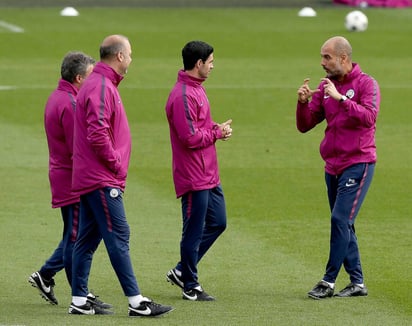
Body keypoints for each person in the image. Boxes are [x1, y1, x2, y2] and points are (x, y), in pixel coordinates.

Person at [70, 34, 173, 317]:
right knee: (119, 234)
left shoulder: (98, 83)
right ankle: (136, 301)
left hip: (93, 176)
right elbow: (98, 132)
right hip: (101, 177)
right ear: (119, 56)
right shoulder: (102, 86)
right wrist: (116, 164)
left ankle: (79, 300)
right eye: (129, 54)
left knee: (88, 239)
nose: (131, 58)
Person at [296, 36, 380, 299]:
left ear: (343, 58)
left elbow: (369, 118)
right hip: (332, 166)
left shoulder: (367, 84)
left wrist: (342, 99)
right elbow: (305, 125)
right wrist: (302, 103)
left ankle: (328, 281)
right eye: (322, 57)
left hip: (359, 162)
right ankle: (357, 283)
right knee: (345, 223)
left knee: (340, 219)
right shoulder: (325, 87)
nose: (322, 63)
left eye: (327, 57)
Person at [29, 51, 111, 310]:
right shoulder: (71, 104)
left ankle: (47, 276)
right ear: (78, 78)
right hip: (72, 179)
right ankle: (80, 294)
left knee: (74, 235)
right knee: (77, 236)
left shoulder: (59, 97)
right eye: (90, 76)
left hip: (64, 174)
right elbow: (80, 148)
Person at [165, 40, 232, 301]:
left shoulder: (196, 89)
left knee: (219, 222)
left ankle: (182, 269)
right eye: (211, 61)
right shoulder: (182, 95)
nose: (213, 66)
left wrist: (217, 128)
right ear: (199, 63)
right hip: (193, 176)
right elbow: (189, 137)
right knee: (192, 231)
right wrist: (215, 133)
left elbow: (200, 123)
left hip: (208, 173)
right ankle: (190, 285)